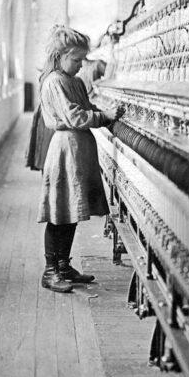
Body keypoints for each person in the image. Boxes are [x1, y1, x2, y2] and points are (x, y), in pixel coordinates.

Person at [36, 25, 124, 293]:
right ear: (59, 55)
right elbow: (75, 117)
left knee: (71, 211)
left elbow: (86, 108)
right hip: (65, 151)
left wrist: (103, 111)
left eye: (82, 60)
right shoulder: (54, 81)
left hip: (80, 150)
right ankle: (50, 271)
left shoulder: (74, 81)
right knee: (59, 213)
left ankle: (64, 266)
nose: (80, 65)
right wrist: (104, 117)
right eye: (76, 60)